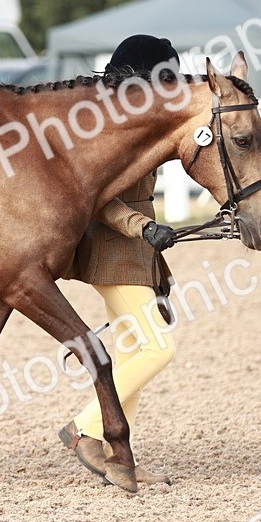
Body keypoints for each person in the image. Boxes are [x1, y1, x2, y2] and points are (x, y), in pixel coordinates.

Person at [58, 34, 183, 486]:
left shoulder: (135, 122)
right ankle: (84, 429)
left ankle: (118, 455)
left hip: (134, 254)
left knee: (133, 350)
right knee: (158, 347)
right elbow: (101, 200)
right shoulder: (109, 129)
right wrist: (143, 228)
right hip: (114, 252)